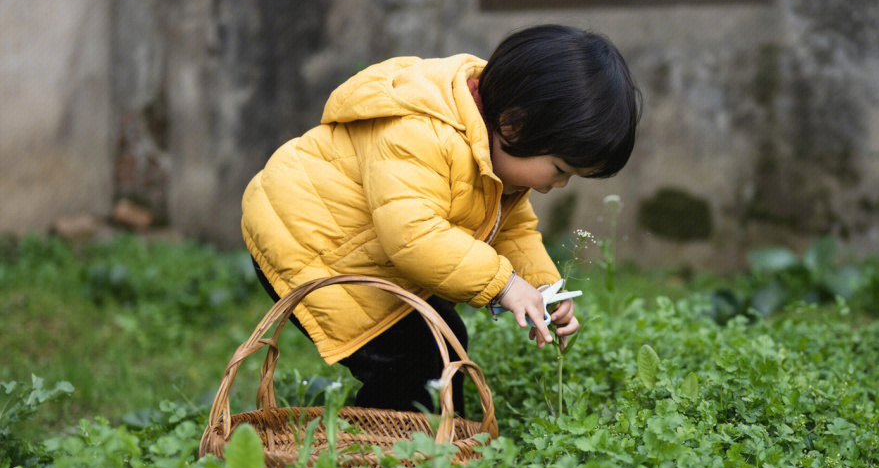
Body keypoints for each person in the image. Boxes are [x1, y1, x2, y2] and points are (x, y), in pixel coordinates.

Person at [242, 24, 641, 413]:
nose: (561, 185)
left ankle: (436, 441)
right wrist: (504, 284)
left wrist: (544, 289)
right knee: (413, 354)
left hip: (364, 247)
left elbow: (513, 231)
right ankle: (392, 455)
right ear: (514, 124)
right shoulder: (420, 133)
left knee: (443, 342)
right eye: (560, 169)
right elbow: (414, 238)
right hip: (305, 239)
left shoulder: (499, 155)